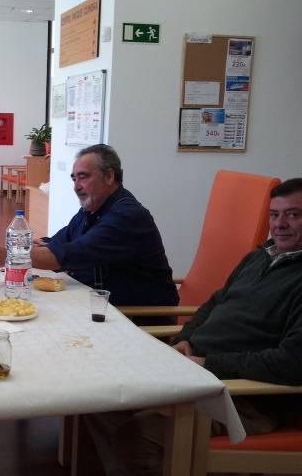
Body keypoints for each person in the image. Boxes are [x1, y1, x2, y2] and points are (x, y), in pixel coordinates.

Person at [86, 177, 302, 475]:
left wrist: (208, 363)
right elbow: (213, 304)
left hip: (245, 398)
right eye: (275, 215)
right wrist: (186, 338)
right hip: (195, 369)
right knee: (97, 394)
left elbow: (291, 363)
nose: (280, 224)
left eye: (293, 214)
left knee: (137, 437)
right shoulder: (260, 256)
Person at [0, 144, 178, 308]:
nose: (76, 186)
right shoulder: (92, 209)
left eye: (83, 177)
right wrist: (43, 245)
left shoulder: (127, 216)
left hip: (135, 316)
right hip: (96, 302)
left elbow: (70, 254)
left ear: (109, 176)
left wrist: (12, 255)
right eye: (74, 178)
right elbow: (61, 241)